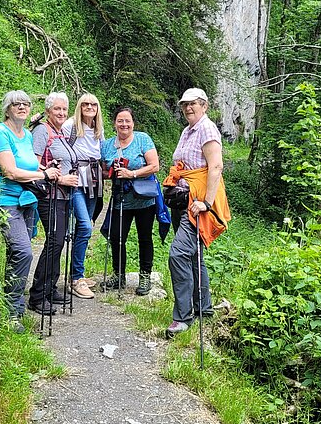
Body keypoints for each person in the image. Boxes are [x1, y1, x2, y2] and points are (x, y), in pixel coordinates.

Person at [0, 91, 59, 333]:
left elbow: (27, 163)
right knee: (23, 251)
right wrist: (43, 175)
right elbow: (10, 171)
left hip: (26, 201)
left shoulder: (26, 134)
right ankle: (13, 312)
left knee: (17, 254)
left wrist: (45, 167)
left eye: (25, 104)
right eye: (16, 104)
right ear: (7, 109)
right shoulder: (0, 133)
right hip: (4, 200)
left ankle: (11, 305)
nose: (21, 107)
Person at [166, 88, 224, 336]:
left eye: (193, 104)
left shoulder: (207, 129)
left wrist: (207, 203)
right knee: (193, 255)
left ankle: (183, 316)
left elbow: (216, 166)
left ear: (204, 105)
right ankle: (204, 307)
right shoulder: (188, 131)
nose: (188, 108)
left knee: (178, 254)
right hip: (184, 201)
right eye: (185, 105)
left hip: (197, 205)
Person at [28, 92, 79, 313]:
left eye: (64, 110)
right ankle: (37, 295)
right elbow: (33, 164)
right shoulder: (42, 131)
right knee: (54, 241)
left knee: (60, 241)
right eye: (57, 109)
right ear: (48, 111)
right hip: (49, 195)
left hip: (63, 196)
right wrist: (61, 178)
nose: (61, 113)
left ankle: (50, 288)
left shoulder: (60, 133)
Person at [101, 107, 159, 294]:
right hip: (120, 199)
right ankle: (119, 275)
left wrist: (131, 173)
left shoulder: (143, 139)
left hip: (143, 199)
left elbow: (154, 166)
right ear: (114, 123)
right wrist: (112, 172)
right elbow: (103, 170)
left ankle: (145, 276)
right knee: (117, 237)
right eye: (120, 121)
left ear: (133, 123)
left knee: (144, 237)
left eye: (127, 121)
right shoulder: (108, 145)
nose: (124, 124)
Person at [63, 93, 104, 299]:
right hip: (76, 180)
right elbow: (59, 149)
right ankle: (76, 278)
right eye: (85, 104)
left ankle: (76, 274)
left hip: (93, 180)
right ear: (79, 106)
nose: (89, 107)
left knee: (85, 227)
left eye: (93, 104)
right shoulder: (70, 126)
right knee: (85, 226)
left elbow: (100, 153)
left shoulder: (98, 129)